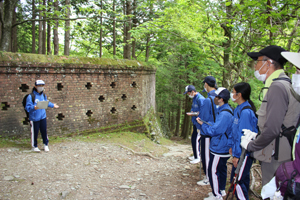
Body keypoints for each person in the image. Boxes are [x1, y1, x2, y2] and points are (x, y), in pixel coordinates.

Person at [240, 45, 300, 186]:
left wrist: (252, 145)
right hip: (278, 151)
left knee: (272, 191)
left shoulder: (277, 87)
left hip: (276, 155)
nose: (256, 66)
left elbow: (273, 129)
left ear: (268, 63)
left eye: (258, 61)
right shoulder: (282, 84)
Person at [196, 87, 233, 200]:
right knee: (221, 169)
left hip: (219, 147)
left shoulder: (224, 114)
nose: (214, 98)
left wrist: (203, 125)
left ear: (220, 99)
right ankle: (221, 191)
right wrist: (206, 122)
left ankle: (216, 195)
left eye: (216, 97)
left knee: (213, 171)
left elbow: (215, 131)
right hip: (223, 146)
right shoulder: (225, 110)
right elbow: (217, 125)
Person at [229, 82, 258, 200]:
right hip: (239, 152)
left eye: (233, 92)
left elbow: (244, 138)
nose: (231, 94)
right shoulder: (238, 109)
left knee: (237, 181)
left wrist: (237, 155)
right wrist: (231, 146)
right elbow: (234, 131)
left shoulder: (246, 112)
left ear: (239, 94)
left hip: (244, 153)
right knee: (243, 179)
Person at [25, 80, 59, 152]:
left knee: (44, 131)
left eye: (42, 86)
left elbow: (46, 103)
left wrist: (53, 105)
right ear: (35, 86)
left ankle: (45, 144)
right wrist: (34, 107)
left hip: (43, 116)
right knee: (35, 132)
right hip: (34, 118)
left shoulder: (43, 95)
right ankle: (34, 146)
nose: (41, 87)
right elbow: (27, 108)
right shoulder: (31, 96)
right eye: (39, 86)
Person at [197, 76, 217, 186]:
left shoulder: (207, 100)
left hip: (207, 131)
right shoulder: (219, 97)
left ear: (206, 84)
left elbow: (203, 117)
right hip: (217, 131)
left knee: (206, 156)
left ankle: (209, 178)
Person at [184, 85, 205, 164]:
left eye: (188, 93)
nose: (188, 95)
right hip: (195, 122)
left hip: (199, 123)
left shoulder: (200, 99)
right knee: (193, 138)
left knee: (196, 139)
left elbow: (202, 112)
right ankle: (195, 154)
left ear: (192, 91)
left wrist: (194, 114)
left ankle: (197, 157)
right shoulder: (194, 99)